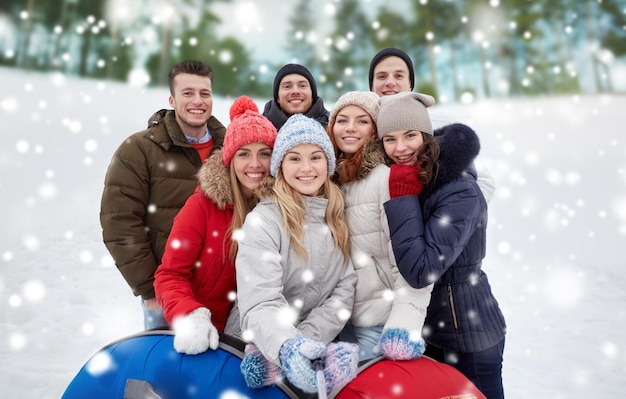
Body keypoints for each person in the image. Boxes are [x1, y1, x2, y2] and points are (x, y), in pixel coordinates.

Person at [378, 91, 507, 398]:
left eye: (410, 135)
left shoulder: (459, 189)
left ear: (426, 135)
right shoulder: (421, 175)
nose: (400, 148)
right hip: (432, 330)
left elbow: (421, 269)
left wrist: (403, 198)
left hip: (468, 337)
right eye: (389, 139)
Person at [235, 114, 359, 395]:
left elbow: (344, 289)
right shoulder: (264, 221)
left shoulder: (336, 217)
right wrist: (286, 347)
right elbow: (260, 302)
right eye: (294, 158)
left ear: (328, 163)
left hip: (308, 354)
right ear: (280, 166)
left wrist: (305, 343)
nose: (306, 168)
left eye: (315, 157)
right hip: (257, 350)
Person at [100, 60, 226, 330]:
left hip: (223, 292)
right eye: (188, 93)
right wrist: (149, 289)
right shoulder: (139, 150)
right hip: (166, 291)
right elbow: (119, 222)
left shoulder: (229, 149)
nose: (198, 101)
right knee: (166, 367)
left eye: (205, 93)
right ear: (172, 98)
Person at [153, 96, 277, 355]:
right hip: (205, 337)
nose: (255, 165)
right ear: (230, 159)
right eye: (244, 154)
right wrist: (191, 315)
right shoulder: (202, 206)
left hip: (256, 341)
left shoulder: (280, 209)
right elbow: (171, 274)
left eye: (264, 153)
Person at [327, 91, 433, 362]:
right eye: (342, 120)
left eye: (362, 121)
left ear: (375, 132)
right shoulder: (324, 180)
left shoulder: (387, 180)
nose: (350, 128)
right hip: (336, 323)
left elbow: (411, 264)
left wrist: (402, 326)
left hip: (378, 323)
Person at [368, 47, 496, 202]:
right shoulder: (361, 130)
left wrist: (448, 216)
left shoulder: (440, 122)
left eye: (399, 75)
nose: (390, 82)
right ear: (371, 86)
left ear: (410, 84)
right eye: (382, 77)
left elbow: (484, 182)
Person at [262, 63, 330, 130]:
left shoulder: (333, 127)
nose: (295, 91)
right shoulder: (259, 128)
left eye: (302, 86)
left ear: (312, 94)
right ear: (278, 97)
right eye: (287, 86)